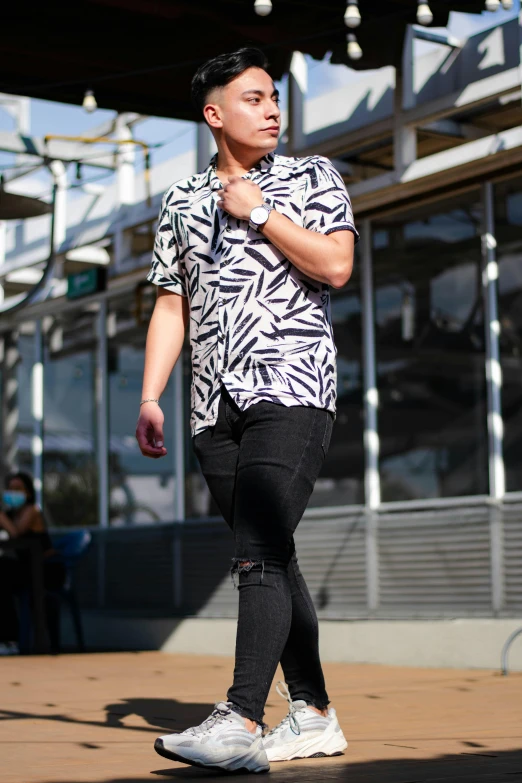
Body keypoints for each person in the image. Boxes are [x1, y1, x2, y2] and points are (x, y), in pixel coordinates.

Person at [136, 47, 359, 774]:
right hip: (211, 406)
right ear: (214, 114)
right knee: (273, 554)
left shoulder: (311, 176)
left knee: (255, 552)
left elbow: (335, 265)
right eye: (254, 98)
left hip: (291, 385)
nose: (272, 110)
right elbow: (173, 302)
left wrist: (260, 211)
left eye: (274, 98)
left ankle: (238, 717)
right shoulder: (180, 201)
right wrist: (150, 394)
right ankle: (316, 711)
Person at [0, 471, 65, 654]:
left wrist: (2, 519)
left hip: (46, 571)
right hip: (27, 570)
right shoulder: (11, 515)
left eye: (18, 488)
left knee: (3, 570)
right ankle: (7, 638)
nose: (12, 492)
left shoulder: (32, 511)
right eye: (10, 488)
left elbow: (16, 533)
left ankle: (9, 640)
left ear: (28, 492)